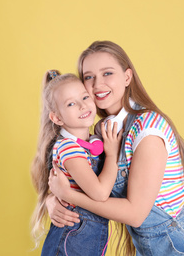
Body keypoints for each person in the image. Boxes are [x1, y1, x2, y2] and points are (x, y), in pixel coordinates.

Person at [47, 41, 184, 256]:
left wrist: (68, 195)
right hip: (149, 249)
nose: (97, 84)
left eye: (107, 73)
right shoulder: (104, 129)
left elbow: (136, 214)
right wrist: (53, 200)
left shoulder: (147, 129)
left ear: (127, 77)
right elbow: (83, 180)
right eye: (89, 77)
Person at [30, 70, 123, 255]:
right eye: (71, 103)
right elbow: (100, 193)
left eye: (85, 97)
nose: (82, 106)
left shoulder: (89, 143)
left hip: (84, 241)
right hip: (70, 243)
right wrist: (112, 155)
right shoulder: (69, 149)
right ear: (57, 118)